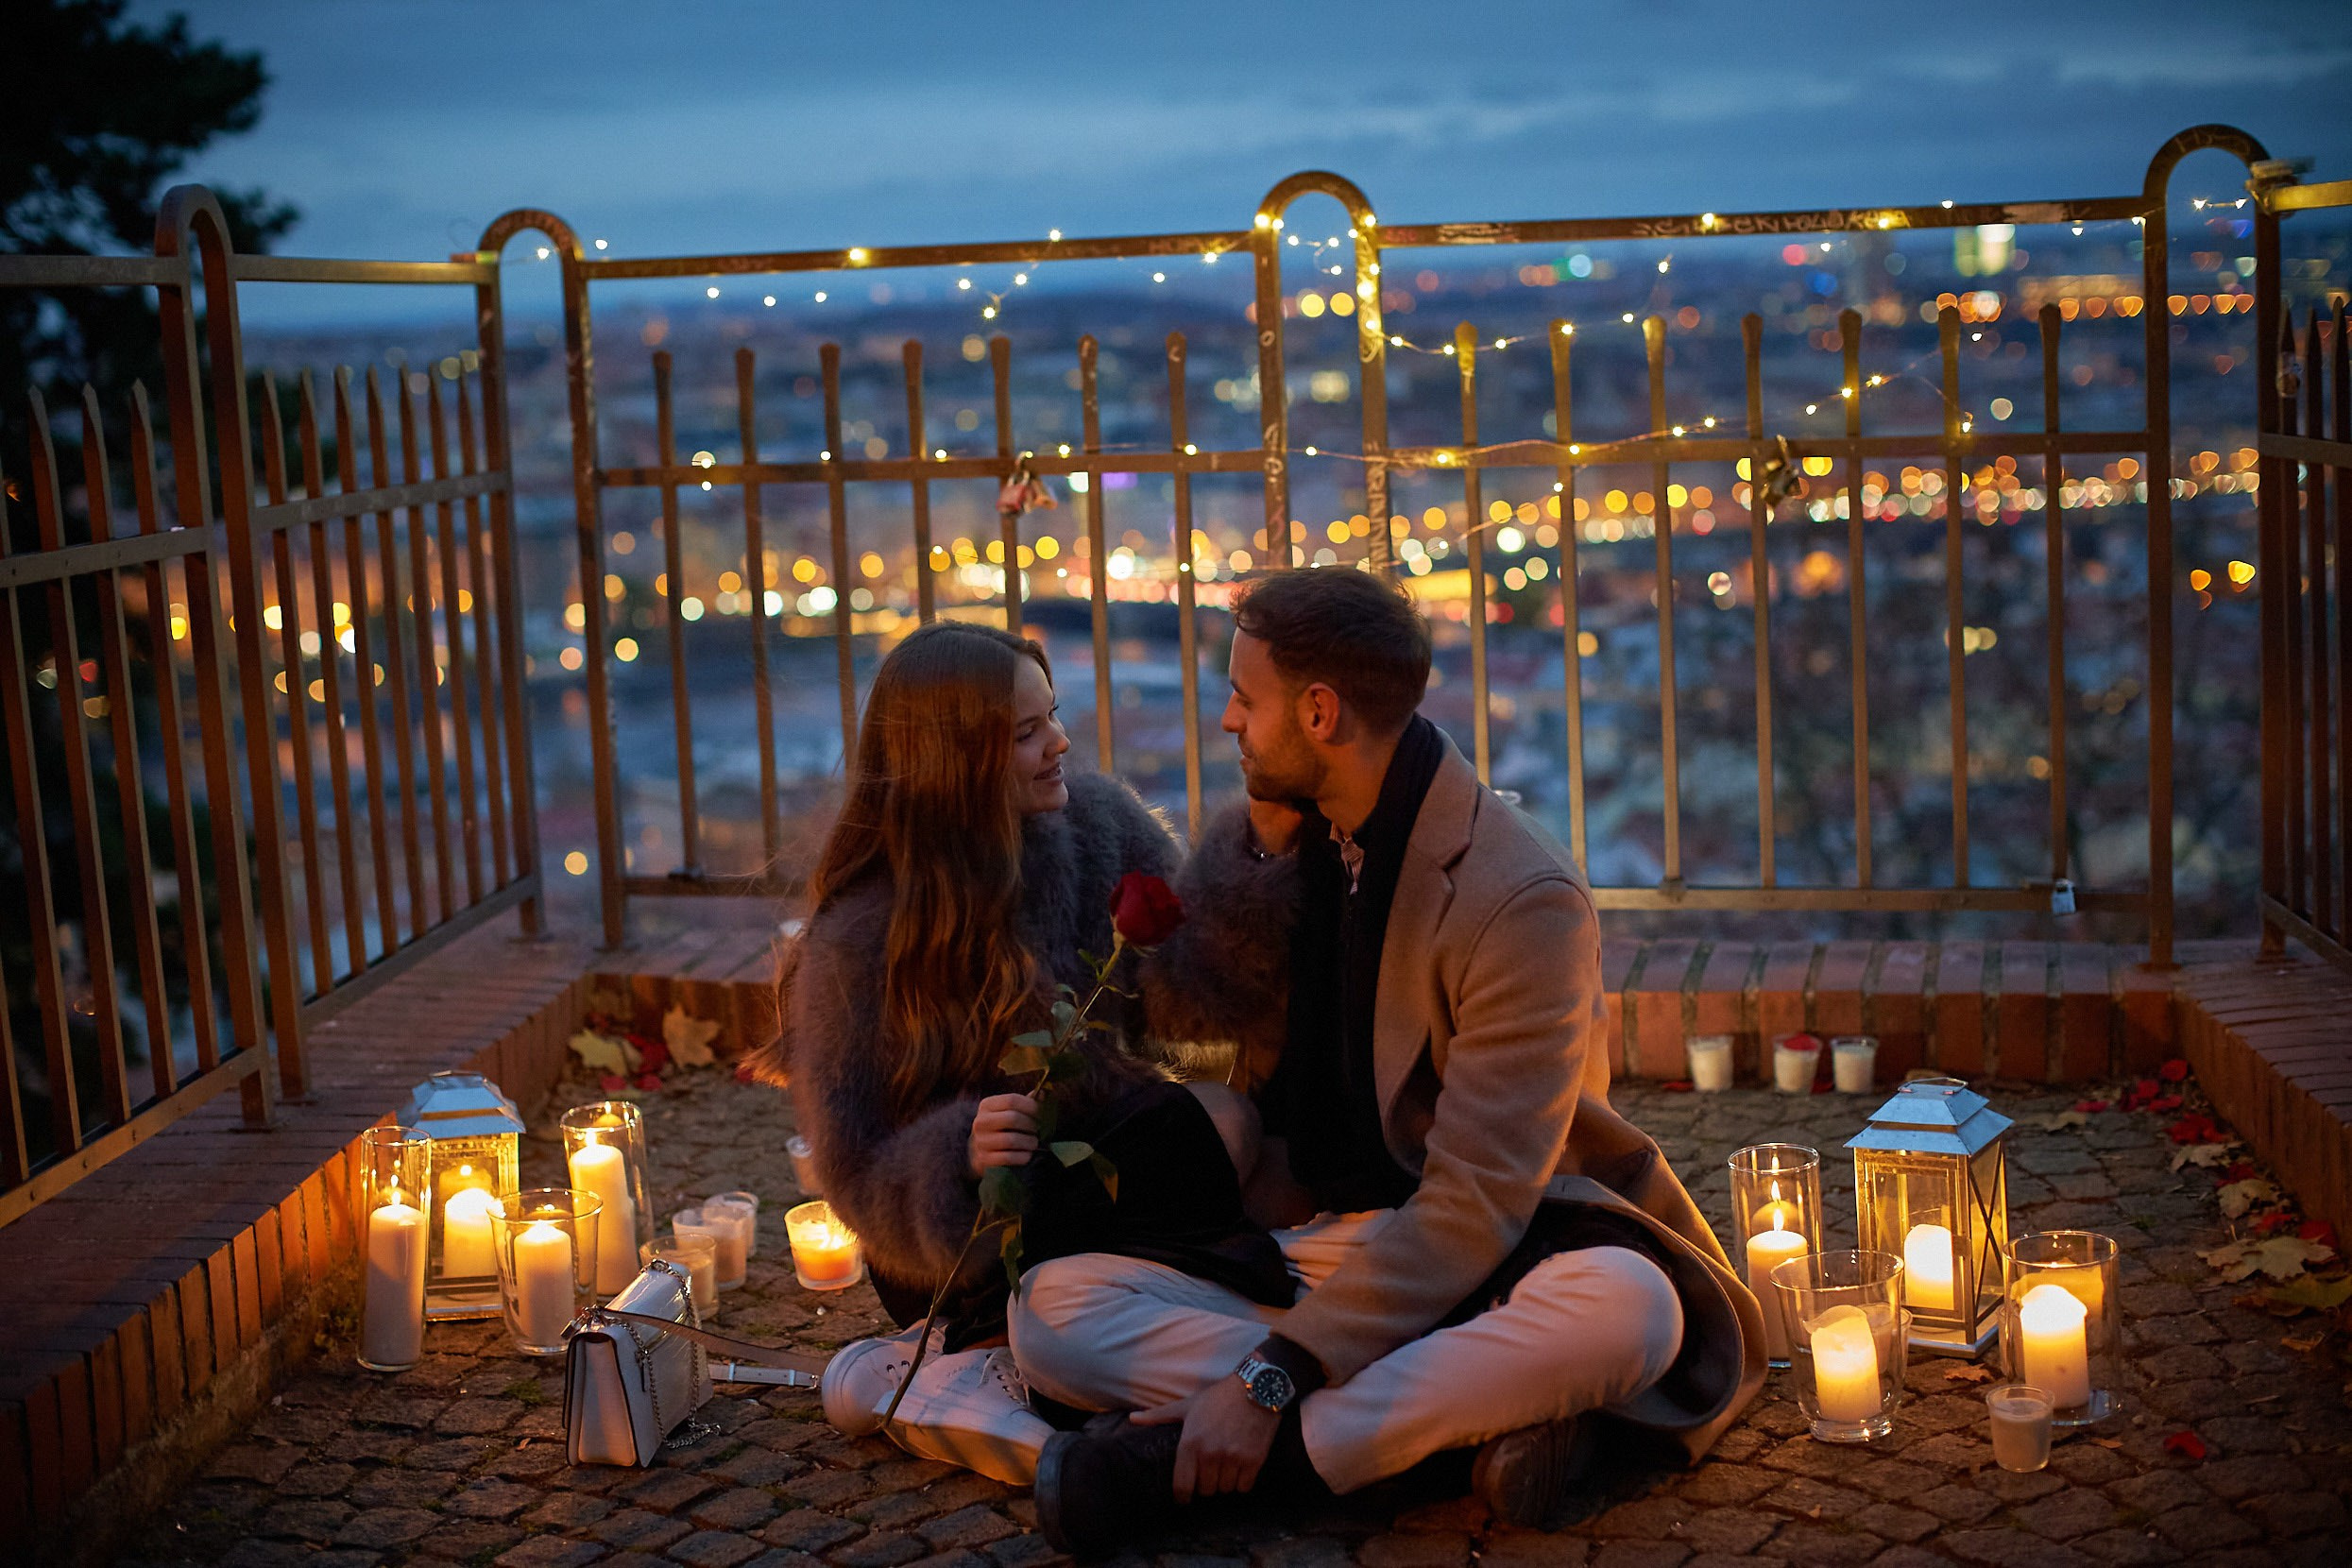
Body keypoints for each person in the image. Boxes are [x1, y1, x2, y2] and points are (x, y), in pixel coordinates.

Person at [1010, 569, 1767, 1553]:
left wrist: (1269, 1378)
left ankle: (1222, 1461)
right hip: (1327, 1246)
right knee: (1050, 1313)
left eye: (1246, 696)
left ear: (1320, 711)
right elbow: (1198, 1020)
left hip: (1500, 1251)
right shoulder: (1309, 837)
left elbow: (1474, 1208)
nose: (1229, 720)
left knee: (1634, 1311)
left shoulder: (1518, 898)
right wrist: (1257, 870)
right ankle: (1465, 1418)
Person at [768, 621, 1282, 1476]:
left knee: (1220, 1124)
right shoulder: (859, 939)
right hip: (962, 1247)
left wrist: (1258, 866)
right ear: (956, 761)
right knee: (1195, 1132)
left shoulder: (1100, 825)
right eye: (1026, 733)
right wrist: (957, 1154)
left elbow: (1186, 1000)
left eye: (1053, 717)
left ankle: (990, 1373)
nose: (1061, 744)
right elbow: (854, 1175)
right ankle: (995, 1353)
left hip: (1107, 1169)